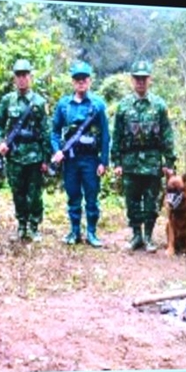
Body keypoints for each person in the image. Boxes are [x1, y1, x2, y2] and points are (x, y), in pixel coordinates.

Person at [111, 59, 176, 251]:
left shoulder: (159, 106)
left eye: (144, 78)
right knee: (132, 202)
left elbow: (167, 135)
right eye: (137, 78)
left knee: (151, 203)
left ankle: (148, 236)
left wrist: (169, 163)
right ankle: (136, 236)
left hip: (152, 162)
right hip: (130, 162)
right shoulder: (123, 106)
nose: (140, 82)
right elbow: (117, 136)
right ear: (132, 80)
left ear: (149, 80)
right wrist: (117, 162)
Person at [51, 61, 110, 247]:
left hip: (91, 159)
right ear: (73, 82)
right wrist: (57, 150)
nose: (81, 82)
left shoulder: (98, 105)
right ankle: (74, 231)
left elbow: (106, 135)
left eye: (84, 78)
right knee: (73, 196)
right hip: (71, 159)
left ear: (90, 80)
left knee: (92, 197)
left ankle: (91, 233)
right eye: (77, 79)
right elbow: (54, 132)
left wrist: (104, 161)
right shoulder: (64, 105)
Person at [0, 59, 50, 242]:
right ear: (14, 78)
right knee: (18, 192)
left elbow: (46, 131)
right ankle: (22, 225)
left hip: (35, 155)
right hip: (15, 155)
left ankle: (34, 226)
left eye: (25, 75)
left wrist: (46, 159)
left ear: (30, 77)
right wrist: (0, 142)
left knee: (34, 194)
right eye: (18, 75)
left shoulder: (39, 102)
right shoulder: (7, 101)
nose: (22, 79)